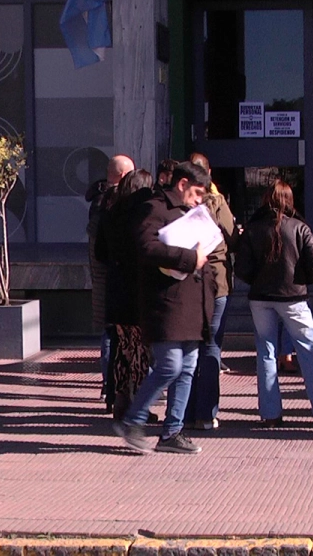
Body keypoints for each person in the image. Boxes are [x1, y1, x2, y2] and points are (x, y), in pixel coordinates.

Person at [113, 162, 215, 454]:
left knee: (188, 367)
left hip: (193, 302)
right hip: (166, 303)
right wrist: (187, 258)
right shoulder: (155, 207)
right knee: (170, 365)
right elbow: (146, 248)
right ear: (181, 184)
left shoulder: (192, 213)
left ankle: (172, 432)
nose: (198, 201)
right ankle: (132, 420)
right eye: (196, 193)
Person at [234, 180, 313, 428]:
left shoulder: (253, 228)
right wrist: (303, 279)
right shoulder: (299, 227)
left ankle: (270, 413)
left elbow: (242, 268)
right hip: (293, 295)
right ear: (289, 200)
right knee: (310, 350)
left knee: (266, 353)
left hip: (261, 296)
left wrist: (256, 280)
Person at [94, 169, 155, 420]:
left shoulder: (110, 213)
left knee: (122, 349)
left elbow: (100, 252)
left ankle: (121, 399)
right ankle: (138, 406)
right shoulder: (144, 215)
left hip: (116, 289)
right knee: (139, 351)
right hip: (139, 291)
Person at [184, 153, 238, 429]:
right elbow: (231, 235)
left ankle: (186, 411)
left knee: (190, 347)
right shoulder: (216, 202)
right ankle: (206, 413)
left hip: (188, 281)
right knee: (211, 347)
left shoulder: (181, 201)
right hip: (216, 280)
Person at [86, 154, 134, 399]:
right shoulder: (113, 203)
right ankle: (111, 384)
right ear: (124, 175)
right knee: (112, 334)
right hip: (110, 278)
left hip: (102, 277)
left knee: (109, 334)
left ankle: (109, 384)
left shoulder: (98, 201)